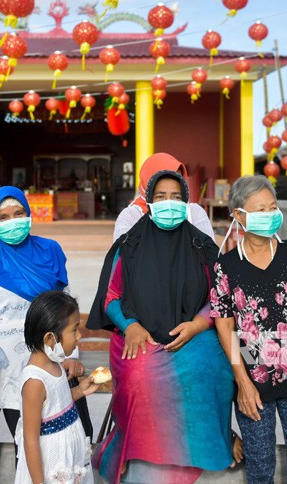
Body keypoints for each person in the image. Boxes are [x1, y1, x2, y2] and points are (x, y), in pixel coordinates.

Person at [88, 169, 235, 483]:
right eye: (161, 197)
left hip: (191, 334)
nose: (170, 203)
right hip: (138, 333)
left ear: (186, 203)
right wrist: (130, 326)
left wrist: (198, 324)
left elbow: (219, 296)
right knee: (139, 376)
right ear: (149, 202)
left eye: (177, 197)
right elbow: (112, 297)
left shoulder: (201, 245)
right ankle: (129, 448)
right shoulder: (130, 245)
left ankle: (203, 447)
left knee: (211, 366)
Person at [0, 185, 84, 483]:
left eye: (19, 213)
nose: (13, 221)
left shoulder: (50, 252)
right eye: (4, 216)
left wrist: (71, 354)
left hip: (35, 371)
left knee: (33, 453)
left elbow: (64, 312)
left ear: (28, 213)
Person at [211, 175, 287, 484]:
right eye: (260, 209)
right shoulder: (225, 267)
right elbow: (224, 324)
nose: (269, 214)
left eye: (273, 207)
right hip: (252, 385)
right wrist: (242, 382)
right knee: (260, 468)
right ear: (239, 215)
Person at [15, 290, 98, 484]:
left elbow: (55, 404)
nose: (79, 336)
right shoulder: (35, 381)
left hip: (69, 458)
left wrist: (79, 391)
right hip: (52, 464)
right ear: (50, 339)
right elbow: (31, 439)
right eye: (74, 330)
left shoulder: (56, 363)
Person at [113, 152, 214, 241]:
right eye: (161, 196)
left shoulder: (194, 213)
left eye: (177, 180)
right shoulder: (131, 216)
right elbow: (121, 258)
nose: (169, 201)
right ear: (148, 184)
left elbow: (210, 256)